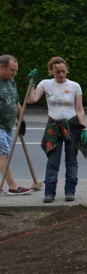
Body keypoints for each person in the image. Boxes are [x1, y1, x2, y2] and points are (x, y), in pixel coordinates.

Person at [27, 57, 87, 203]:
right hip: (53, 126)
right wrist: (32, 84)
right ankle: (49, 192)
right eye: (57, 72)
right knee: (53, 161)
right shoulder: (45, 84)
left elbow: (79, 109)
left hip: (72, 125)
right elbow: (32, 100)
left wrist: (83, 128)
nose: (61, 74)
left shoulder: (74, 86)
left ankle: (70, 191)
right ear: (51, 71)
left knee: (71, 160)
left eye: (63, 71)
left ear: (66, 69)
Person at [0, 55, 32, 196]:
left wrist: (22, 120)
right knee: (3, 156)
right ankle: (13, 187)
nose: (15, 73)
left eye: (16, 70)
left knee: (3, 156)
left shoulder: (11, 82)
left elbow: (17, 103)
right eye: (12, 70)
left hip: (7, 127)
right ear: (1, 67)